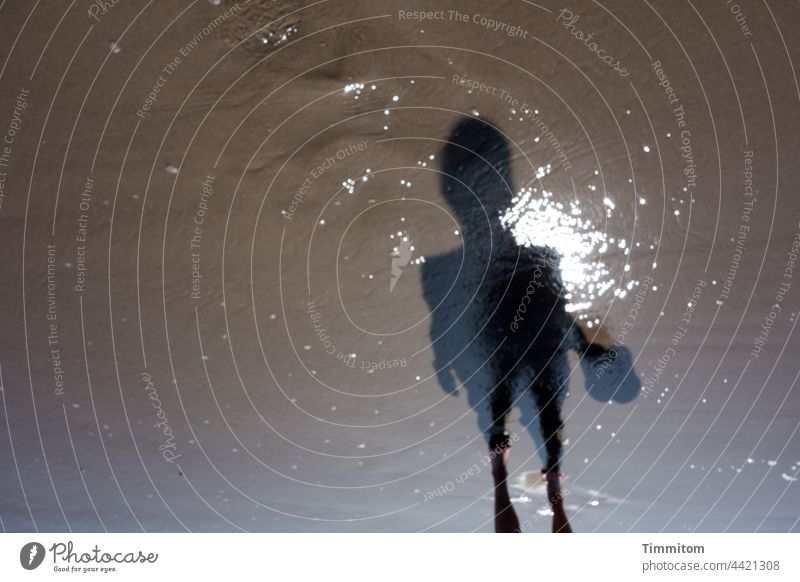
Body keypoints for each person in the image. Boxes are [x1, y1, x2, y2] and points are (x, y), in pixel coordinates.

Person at [422, 117, 636, 532]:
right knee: (542, 406)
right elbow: (562, 316)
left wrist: (440, 356)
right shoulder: (543, 253)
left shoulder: (454, 266)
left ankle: (512, 474)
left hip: (506, 340)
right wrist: (590, 347)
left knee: (511, 402)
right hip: (535, 342)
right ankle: (539, 478)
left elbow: (443, 320)